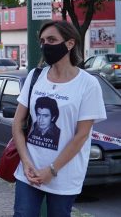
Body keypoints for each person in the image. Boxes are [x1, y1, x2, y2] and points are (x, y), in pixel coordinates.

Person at [12, 20, 107, 217]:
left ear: (70, 43)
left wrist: (52, 170)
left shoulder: (88, 84)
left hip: (64, 176)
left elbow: (81, 136)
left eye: (52, 39)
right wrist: (26, 162)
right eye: (43, 40)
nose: (45, 45)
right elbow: (17, 123)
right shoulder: (35, 76)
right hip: (28, 172)